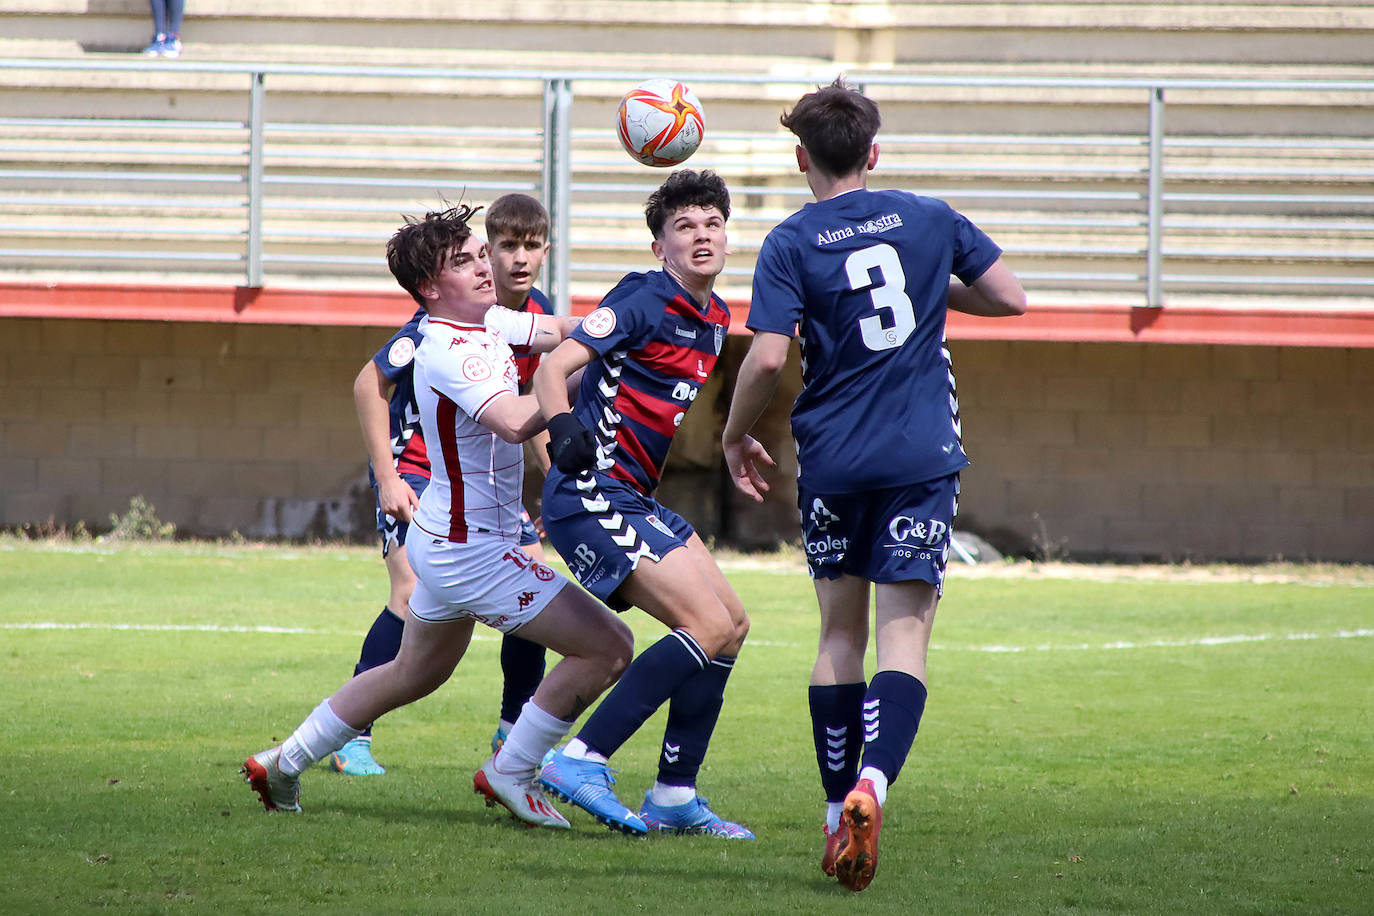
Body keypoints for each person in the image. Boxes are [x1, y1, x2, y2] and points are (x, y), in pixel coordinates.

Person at [720, 79, 1027, 891]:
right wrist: (932, 296)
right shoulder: (929, 216)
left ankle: (832, 816)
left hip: (832, 461)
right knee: (905, 638)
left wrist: (733, 433)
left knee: (836, 637)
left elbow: (767, 358)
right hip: (920, 458)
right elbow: (1010, 298)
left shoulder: (789, 240)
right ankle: (873, 784)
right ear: (874, 153)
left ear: (800, 159)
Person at [242, 204, 633, 830]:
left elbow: (561, 330)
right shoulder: (451, 348)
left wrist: (626, 324)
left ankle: (284, 760)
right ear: (430, 289)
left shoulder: (489, 321)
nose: (485, 268)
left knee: (412, 673)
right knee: (610, 647)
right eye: (466, 262)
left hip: (449, 542)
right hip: (476, 551)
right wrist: (564, 397)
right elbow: (510, 419)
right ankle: (514, 767)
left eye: (482, 255)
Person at [532, 170, 753, 839]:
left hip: (632, 497)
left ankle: (674, 795)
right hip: (589, 495)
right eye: (684, 226)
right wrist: (563, 431)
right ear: (661, 246)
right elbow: (552, 368)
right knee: (705, 626)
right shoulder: (643, 294)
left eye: (712, 222)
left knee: (733, 624)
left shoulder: (714, 318)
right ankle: (580, 759)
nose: (701, 235)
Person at [330, 194, 556, 776]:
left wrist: (557, 481)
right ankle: (352, 735)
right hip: (420, 471)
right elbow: (367, 384)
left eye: (530, 246)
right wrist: (386, 476)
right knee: (407, 596)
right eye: (504, 246)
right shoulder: (434, 324)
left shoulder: (537, 319)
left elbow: (529, 411)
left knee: (536, 592)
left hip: (487, 487)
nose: (514, 259)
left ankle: (512, 734)